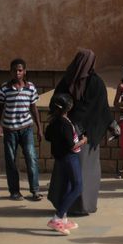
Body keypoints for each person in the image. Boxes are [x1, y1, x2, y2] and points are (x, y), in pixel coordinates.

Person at [51, 49, 112, 217]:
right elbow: (102, 109)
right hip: (86, 136)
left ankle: (64, 204)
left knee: (69, 171)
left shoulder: (66, 81)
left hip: (68, 134)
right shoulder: (96, 83)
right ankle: (82, 205)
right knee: (85, 171)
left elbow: (55, 104)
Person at [0, 57, 41, 201]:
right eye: (14, 70)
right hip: (9, 129)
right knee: (11, 161)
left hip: (26, 128)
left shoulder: (30, 87)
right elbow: (0, 106)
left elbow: (34, 108)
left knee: (31, 157)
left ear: (25, 71)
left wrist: (39, 128)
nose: (17, 73)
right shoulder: (4, 88)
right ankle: (14, 191)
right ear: (10, 72)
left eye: (20, 70)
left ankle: (35, 190)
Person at [45, 93, 83, 235]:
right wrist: (83, 140)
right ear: (68, 107)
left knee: (68, 186)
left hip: (61, 158)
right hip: (69, 158)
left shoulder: (54, 121)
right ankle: (57, 217)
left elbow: (48, 136)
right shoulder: (64, 123)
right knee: (77, 186)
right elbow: (71, 145)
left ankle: (64, 219)